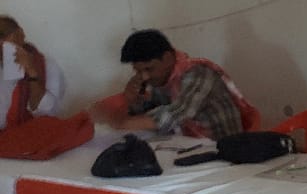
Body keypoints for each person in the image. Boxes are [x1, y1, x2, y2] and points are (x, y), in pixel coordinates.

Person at [92, 29, 259, 140]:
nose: (144, 76)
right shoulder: (163, 78)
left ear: (167, 58)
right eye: (138, 71)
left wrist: (120, 122)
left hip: (225, 149)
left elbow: (177, 113)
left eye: (149, 69)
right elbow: (152, 112)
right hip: (191, 146)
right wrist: (133, 101)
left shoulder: (198, 73)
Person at [0, 16, 65, 131]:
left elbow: (48, 112)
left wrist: (31, 71)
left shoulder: (47, 65)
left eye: (3, 36)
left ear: (20, 35)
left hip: (30, 132)